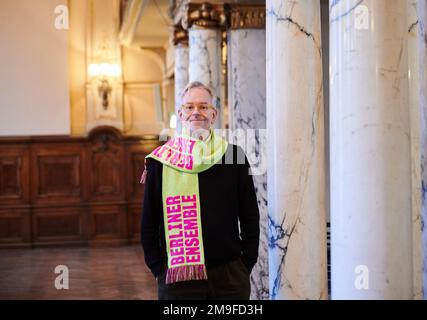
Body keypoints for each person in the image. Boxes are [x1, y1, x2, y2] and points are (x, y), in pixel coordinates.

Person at [140, 81, 260, 300]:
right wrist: (159, 269)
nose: (196, 112)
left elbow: (250, 214)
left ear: (213, 115)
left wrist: (246, 263)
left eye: (203, 107)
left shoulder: (234, 156)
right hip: (178, 276)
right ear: (181, 114)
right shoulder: (161, 160)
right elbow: (149, 222)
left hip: (230, 274)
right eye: (190, 107)